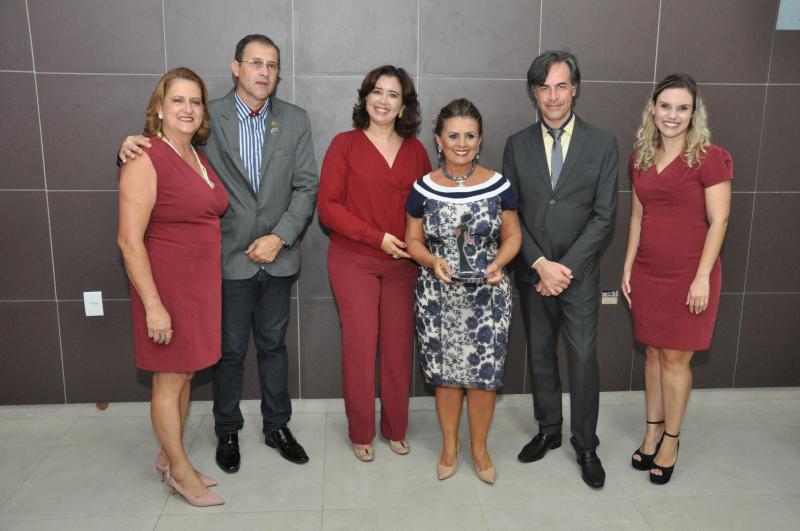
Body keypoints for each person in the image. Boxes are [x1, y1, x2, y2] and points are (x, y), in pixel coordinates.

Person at [119, 34, 318, 472]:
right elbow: (169, 152)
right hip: (223, 260)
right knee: (226, 351)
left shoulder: (295, 120)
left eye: (272, 65)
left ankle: (277, 426)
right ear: (235, 67)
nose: (264, 71)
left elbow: (307, 186)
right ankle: (227, 430)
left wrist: (280, 237)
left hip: (279, 256)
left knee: (274, 346)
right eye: (255, 62)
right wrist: (129, 146)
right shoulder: (207, 118)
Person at [503, 50, 618, 489]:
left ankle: (585, 444)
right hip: (533, 272)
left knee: (583, 358)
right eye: (544, 87)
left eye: (561, 86)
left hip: (578, 275)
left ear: (575, 89)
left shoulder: (602, 143)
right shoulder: (517, 144)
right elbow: (510, 215)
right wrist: (538, 263)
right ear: (534, 93)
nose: (553, 96)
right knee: (540, 354)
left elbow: (604, 217)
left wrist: (563, 269)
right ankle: (548, 429)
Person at [118, 67, 228, 506]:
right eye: (178, 100)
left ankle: (170, 456)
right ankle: (180, 473)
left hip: (199, 288)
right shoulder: (145, 157)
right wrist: (154, 306)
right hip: (165, 288)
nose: (188, 109)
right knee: (169, 379)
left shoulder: (195, 155)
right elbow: (129, 241)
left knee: (185, 374)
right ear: (159, 108)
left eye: (195, 101)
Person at [622, 73, 732, 485]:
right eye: (665, 106)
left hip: (690, 274)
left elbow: (720, 221)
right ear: (653, 109)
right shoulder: (641, 157)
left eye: (682, 108)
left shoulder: (710, 157)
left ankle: (671, 439)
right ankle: (652, 430)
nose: (672, 115)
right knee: (652, 353)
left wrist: (702, 277)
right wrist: (628, 266)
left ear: (693, 113)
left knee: (675, 358)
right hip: (648, 272)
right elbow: (637, 217)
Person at [317, 65, 431, 462]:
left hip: (404, 265)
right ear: (365, 98)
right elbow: (329, 208)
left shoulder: (416, 152)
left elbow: (427, 208)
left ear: (404, 106)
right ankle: (361, 431)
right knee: (361, 348)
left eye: (392, 94)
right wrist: (377, 238)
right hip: (354, 260)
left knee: (399, 349)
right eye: (376, 92)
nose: (383, 100)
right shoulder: (344, 145)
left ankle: (396, 428)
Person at [406, 98, 521, 484]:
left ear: (480, 139)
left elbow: (513, 236)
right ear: (438, 140)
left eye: (469, 136)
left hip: (489, 296)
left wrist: (499, 262)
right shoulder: (422, 188)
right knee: (446, 374)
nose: (461, 143)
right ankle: (450, 446)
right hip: (438, 297)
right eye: (453, 135)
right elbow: (413, 240)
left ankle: (479, 448)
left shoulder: (499, 184)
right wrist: (431, 261)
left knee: (484, 375)